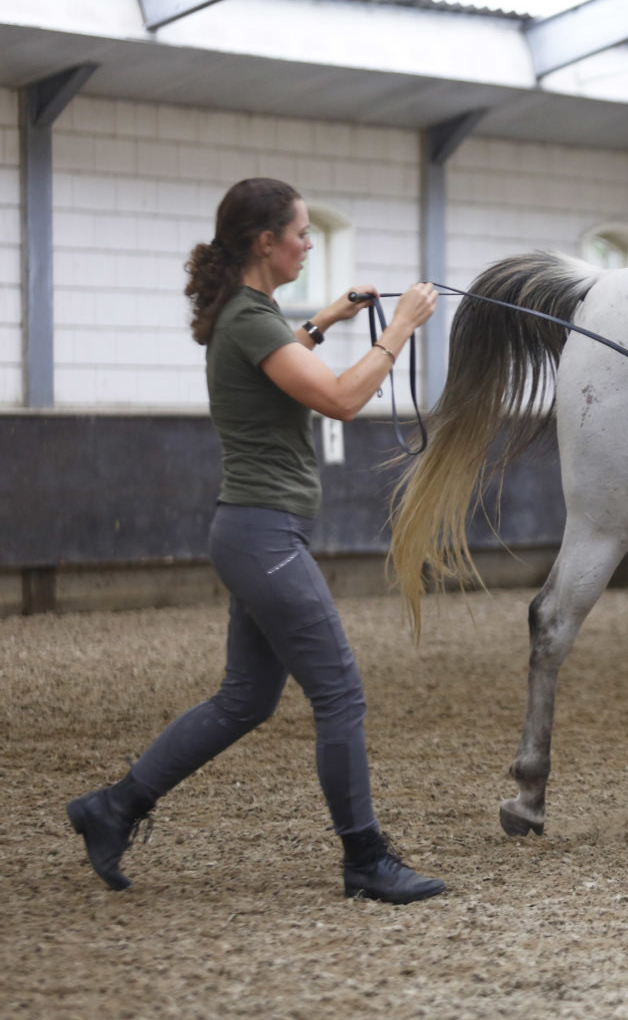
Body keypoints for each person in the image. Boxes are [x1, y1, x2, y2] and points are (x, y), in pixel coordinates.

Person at [66, 177, 444, 904]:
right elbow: (338, 398)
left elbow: (282, 368)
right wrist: (400, 329)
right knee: (338, 692)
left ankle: (112, 808)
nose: (308, 244)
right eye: (301, 234)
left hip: (256, 531)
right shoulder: (248, 317)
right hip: (262, 534)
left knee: (245, 700)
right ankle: (364, 858)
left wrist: (328, 320)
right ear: (265, 243)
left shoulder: (252, 316)